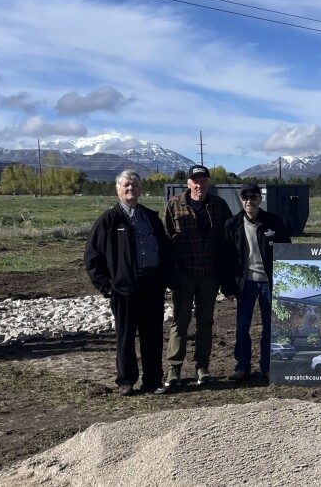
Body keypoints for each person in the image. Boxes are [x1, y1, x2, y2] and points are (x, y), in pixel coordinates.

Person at [84, 170, 171, 396]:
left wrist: (165, 278)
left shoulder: (150, 218)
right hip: (123, 288)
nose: (130, 188)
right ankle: (126, 380)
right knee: (125, 336)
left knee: (152, 334)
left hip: (152, 285)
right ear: (117, 190)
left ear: (140, 189)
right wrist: (106, 285)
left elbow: (164, 249)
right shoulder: (109, 220)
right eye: (126, 185)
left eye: (134, 185)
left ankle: (152, 380)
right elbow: (92, 257)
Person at [163, 164, 233, 387]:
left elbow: (228, 240)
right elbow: (165, 240)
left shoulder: (219, 205)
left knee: (205, 322)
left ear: (208, 183)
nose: (199, 184)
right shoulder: (175, 204)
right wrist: (170, 272)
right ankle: (174, 368)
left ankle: (202, 366)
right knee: (180, 322)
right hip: (184, 274)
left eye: (203, 180)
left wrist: (226, 274)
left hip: (209, 274)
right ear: (188, 183)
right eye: (195, 181)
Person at [224, 183, 292, 382]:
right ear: (241, 200)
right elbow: (225, 259)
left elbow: (287, 251)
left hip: (270, 284)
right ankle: (242, 367)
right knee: (242, 327)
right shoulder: (232, 225)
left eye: (253, 198)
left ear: (260, 199)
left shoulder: (274, 222)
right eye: (245, 198)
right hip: (245, 283)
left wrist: (286, 284)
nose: (249, 202)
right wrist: (227, 287)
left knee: (269, 328)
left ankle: (267, 367)